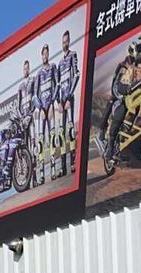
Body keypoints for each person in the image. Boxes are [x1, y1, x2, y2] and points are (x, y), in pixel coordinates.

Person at [105, 37, 141, 164]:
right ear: (136, 51)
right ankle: (110, 149)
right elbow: (121, 83)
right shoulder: (131, 68)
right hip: (131, 98)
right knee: (121, 112)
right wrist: (127, 88)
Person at [56, 30, 79, 173]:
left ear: (69, 41)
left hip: (69, 99)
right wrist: (59, 101)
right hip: (62, 102)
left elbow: (76, 75)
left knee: (70, 132)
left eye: (66, 41)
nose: (64, 44)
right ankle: (63, 167)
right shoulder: (59, 63)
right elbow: (58, 85)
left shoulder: (73, 55)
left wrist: (69, 96)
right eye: (63, 42)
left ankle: (73, 163)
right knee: (62, 133)